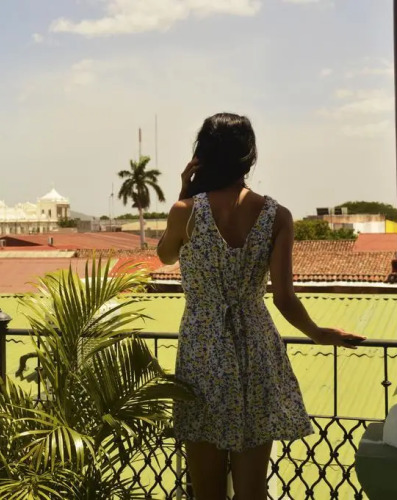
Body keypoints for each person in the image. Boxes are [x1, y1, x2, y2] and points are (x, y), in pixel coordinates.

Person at [156, 113, 365, 500]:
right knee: (252, 491)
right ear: (249, 157)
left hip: (202, 349)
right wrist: (318, 333)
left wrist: (184, 193)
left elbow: (166, 256)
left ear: (203, 155)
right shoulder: (276, 215)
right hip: (257, 348)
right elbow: (284, 298)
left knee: (206, 491)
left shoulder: (186, 210)